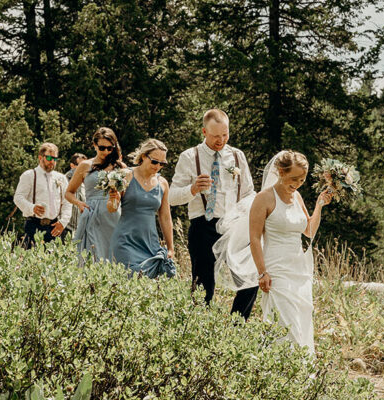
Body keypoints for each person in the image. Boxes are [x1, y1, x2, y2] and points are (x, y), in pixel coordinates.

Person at [168, 108, 256, 314]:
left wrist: (245, 215)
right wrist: (192, 189)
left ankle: (237, 326)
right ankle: (200, 328)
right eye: (216, 135)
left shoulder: (237, 156)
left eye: (225, 134)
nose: (221, 140)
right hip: (203, 225)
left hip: (234, 225)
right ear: (204, 132)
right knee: (203, 285)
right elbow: (172, 197)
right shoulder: (190, 157)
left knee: (249, 278)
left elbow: (249, 192)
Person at [249, 150, 332, 353]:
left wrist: (320, 206)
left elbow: (309, 230)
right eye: (294, 178)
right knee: (283, 322)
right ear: (280, 171)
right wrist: (262, 272)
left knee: (301, 319)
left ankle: (301, 374)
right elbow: (254, 238)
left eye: (302, 179)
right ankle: (278, 373)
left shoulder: (297, 197)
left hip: (298, 269)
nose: (297, 183)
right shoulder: (264, 198)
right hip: (276, 268)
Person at [109, 139, 175, 278]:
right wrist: (113, 198)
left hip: (150, 243)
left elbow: (165, 217)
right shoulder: (125, 175)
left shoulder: (162, 183)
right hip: (125, 241)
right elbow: (112, 208)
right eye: (154, 162)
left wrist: (170, 248)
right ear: (144, 156)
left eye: (162, 164)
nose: (158, 166)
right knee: (128, 281)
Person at [66, 128, 124, 262]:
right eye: (102, 148)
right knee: (90, 257)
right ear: (94, 145)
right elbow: (69, 193)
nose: (106, 152)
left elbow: (125, 196)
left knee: (113, 258)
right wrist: (79, 203)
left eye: (110, 148)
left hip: (113, 216)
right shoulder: (85, 165)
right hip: (91, 214)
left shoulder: (119, 167)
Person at [13, 143, 72, 248]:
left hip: (54, 226)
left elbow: (67, 202)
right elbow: (18, 197)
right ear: (40, 157)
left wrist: (63, 222)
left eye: (55, 159)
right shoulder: (29, 175)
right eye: (49, 158)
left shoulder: (61, 178)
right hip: (33, 225)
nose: (52, 161)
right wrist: (32, 208)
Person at [63, 153, 88, 238]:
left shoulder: (86, 183)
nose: (83, 169)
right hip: (66, 228)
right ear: (72, 166)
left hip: (81, 229)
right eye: (80, 165)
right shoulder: (65, 179)